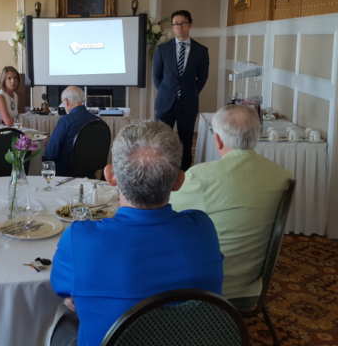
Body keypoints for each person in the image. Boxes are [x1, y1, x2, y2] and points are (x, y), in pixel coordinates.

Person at [49, 121, 224, 346]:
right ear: (179, 181)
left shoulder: (79, 240)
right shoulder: (203, 229)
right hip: (192, 340)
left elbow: (64, 292)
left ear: (110, 176)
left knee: (59, 322)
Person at [169, 105, 292, 299]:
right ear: (256, 136)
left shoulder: (200, 178)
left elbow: (162, 212)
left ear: (217, 140)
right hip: (252, 285)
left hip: (207, 288)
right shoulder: (282, 177)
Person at [153, 9, 209, 171]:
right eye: (176, 24)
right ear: (172, 27)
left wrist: (189, 93)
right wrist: (166, 92)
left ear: (190, 25)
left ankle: (184, 172)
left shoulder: (201, 51)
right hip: (165, 103)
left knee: (186, 140)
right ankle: (161, 170)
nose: (179, 27)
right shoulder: (163, 49)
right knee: (161, 139)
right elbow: (157, 76)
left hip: (188, 103)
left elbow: (202, 78)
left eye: (183, 23)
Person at [43, 86, 101, 176]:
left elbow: (50, 155)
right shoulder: (98, 121)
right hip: (89, 175)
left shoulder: (65, 121)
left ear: (66, 101)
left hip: (64, 175)